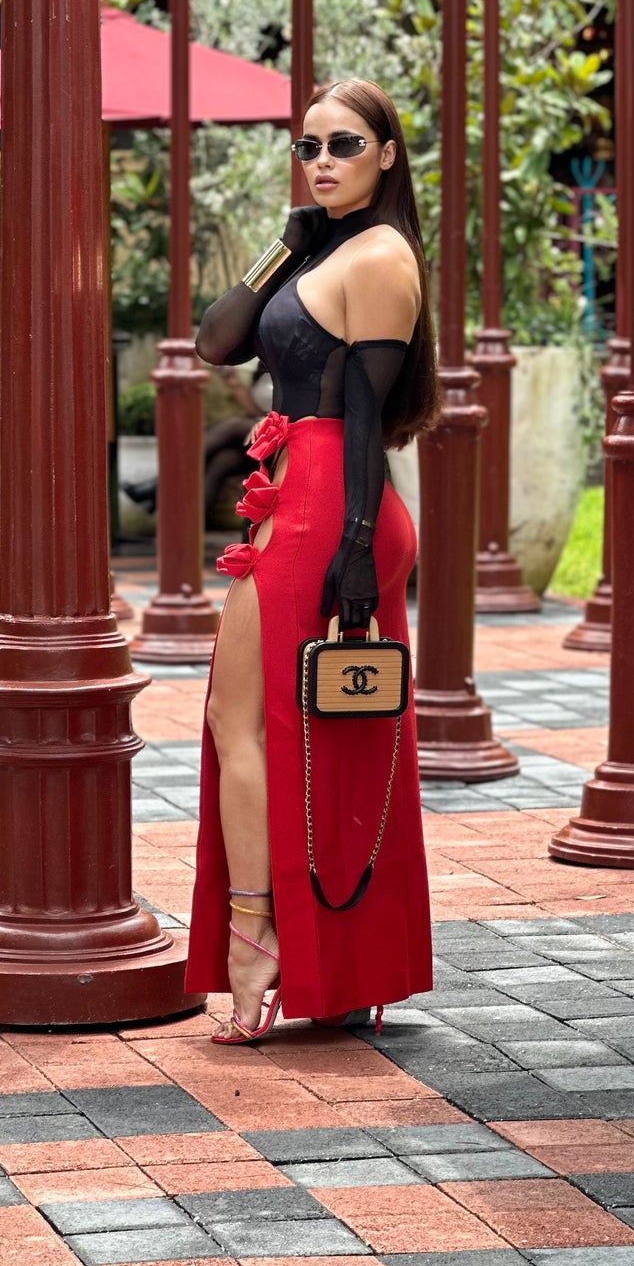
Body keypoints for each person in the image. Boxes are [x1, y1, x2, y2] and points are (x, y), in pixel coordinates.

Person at [189, 78, 438, 1043]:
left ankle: (261, 938)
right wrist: (285, 241)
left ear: (385, 153)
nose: (322, 161)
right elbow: (218, 339)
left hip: (336, 503)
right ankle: (322, 952)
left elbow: (368, 416)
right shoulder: (324, 246)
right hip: (299, 498)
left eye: (342, 144)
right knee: (290, 727)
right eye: (308, 146)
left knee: (244, 718)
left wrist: (354, 550)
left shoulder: (381, 258)